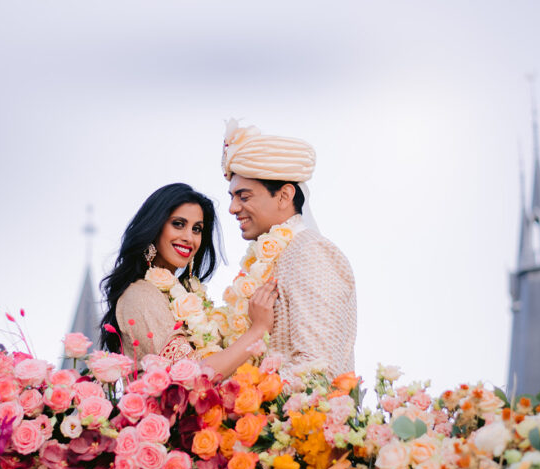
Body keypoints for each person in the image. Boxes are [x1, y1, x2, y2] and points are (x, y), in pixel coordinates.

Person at [99, 183, 278, 377]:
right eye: (178, 224)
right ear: (154, 226)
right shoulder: (140, 295)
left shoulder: (187, 296)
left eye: (197, 229)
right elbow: (191, 378)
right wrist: (258, 330)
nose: (188, 237)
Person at [221, 121, 356, 377]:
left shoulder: (311, 252)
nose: (233, 208)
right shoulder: (269, 258)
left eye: (244, 196)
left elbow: (318, 369)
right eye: (232, 197)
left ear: (284, 196)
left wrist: (245, 401)